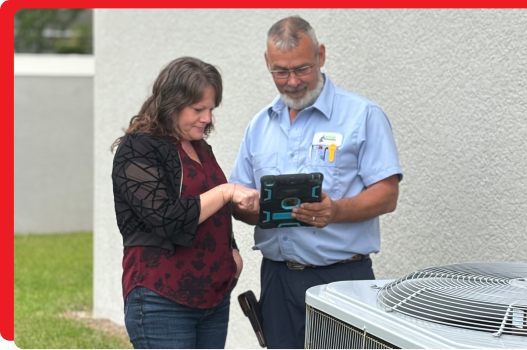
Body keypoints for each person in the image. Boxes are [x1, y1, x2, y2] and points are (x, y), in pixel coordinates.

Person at [229, 16, 403, 349]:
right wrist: (247, 208)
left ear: (321, 56)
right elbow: (243, 198)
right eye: (280, 71)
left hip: (342, 277)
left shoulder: (363, 116)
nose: (293, 81)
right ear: (267, 63)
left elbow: (387, 195)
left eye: (302, 69)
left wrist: (334, 211)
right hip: (278, 278)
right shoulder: (259, 126)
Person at [111, 56, 260, 350]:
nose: (207, 118)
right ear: (171, 104)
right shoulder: (139, 148)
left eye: (211, 109)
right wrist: (227, 191)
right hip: (161, 299)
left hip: (213, 299)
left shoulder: (200, 148)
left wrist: (233, 254)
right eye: (198, 109)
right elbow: (164, 217)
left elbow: (212, 209)